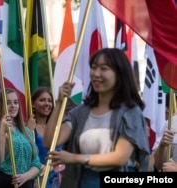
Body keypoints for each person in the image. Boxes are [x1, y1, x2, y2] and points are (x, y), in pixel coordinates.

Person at [43, 48, 150, 188]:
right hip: (84, 181)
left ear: (119, 74)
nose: (96, 74)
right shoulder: (80, 112)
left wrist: (74, 158)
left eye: (104, 68)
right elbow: (50, 140)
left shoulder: (130, 112)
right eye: (93, 68)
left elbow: (120, 157)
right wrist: (58, 103)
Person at [0, 88, 41, 188]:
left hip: (26, 183)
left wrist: (26, 176)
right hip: (3, 183)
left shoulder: (26, 131)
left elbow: (36, 163)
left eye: (16, 102)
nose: (13, 106)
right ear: (0, 105)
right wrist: (1, 133)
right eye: (8, 103)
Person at [28, 87, 62, 188]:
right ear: (33, 104)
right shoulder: (29, 128)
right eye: (42, 100)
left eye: (49, 100)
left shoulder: (57, 128)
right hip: (38, 181)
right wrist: (29, 131)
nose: (47, 103)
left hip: (58, 181)